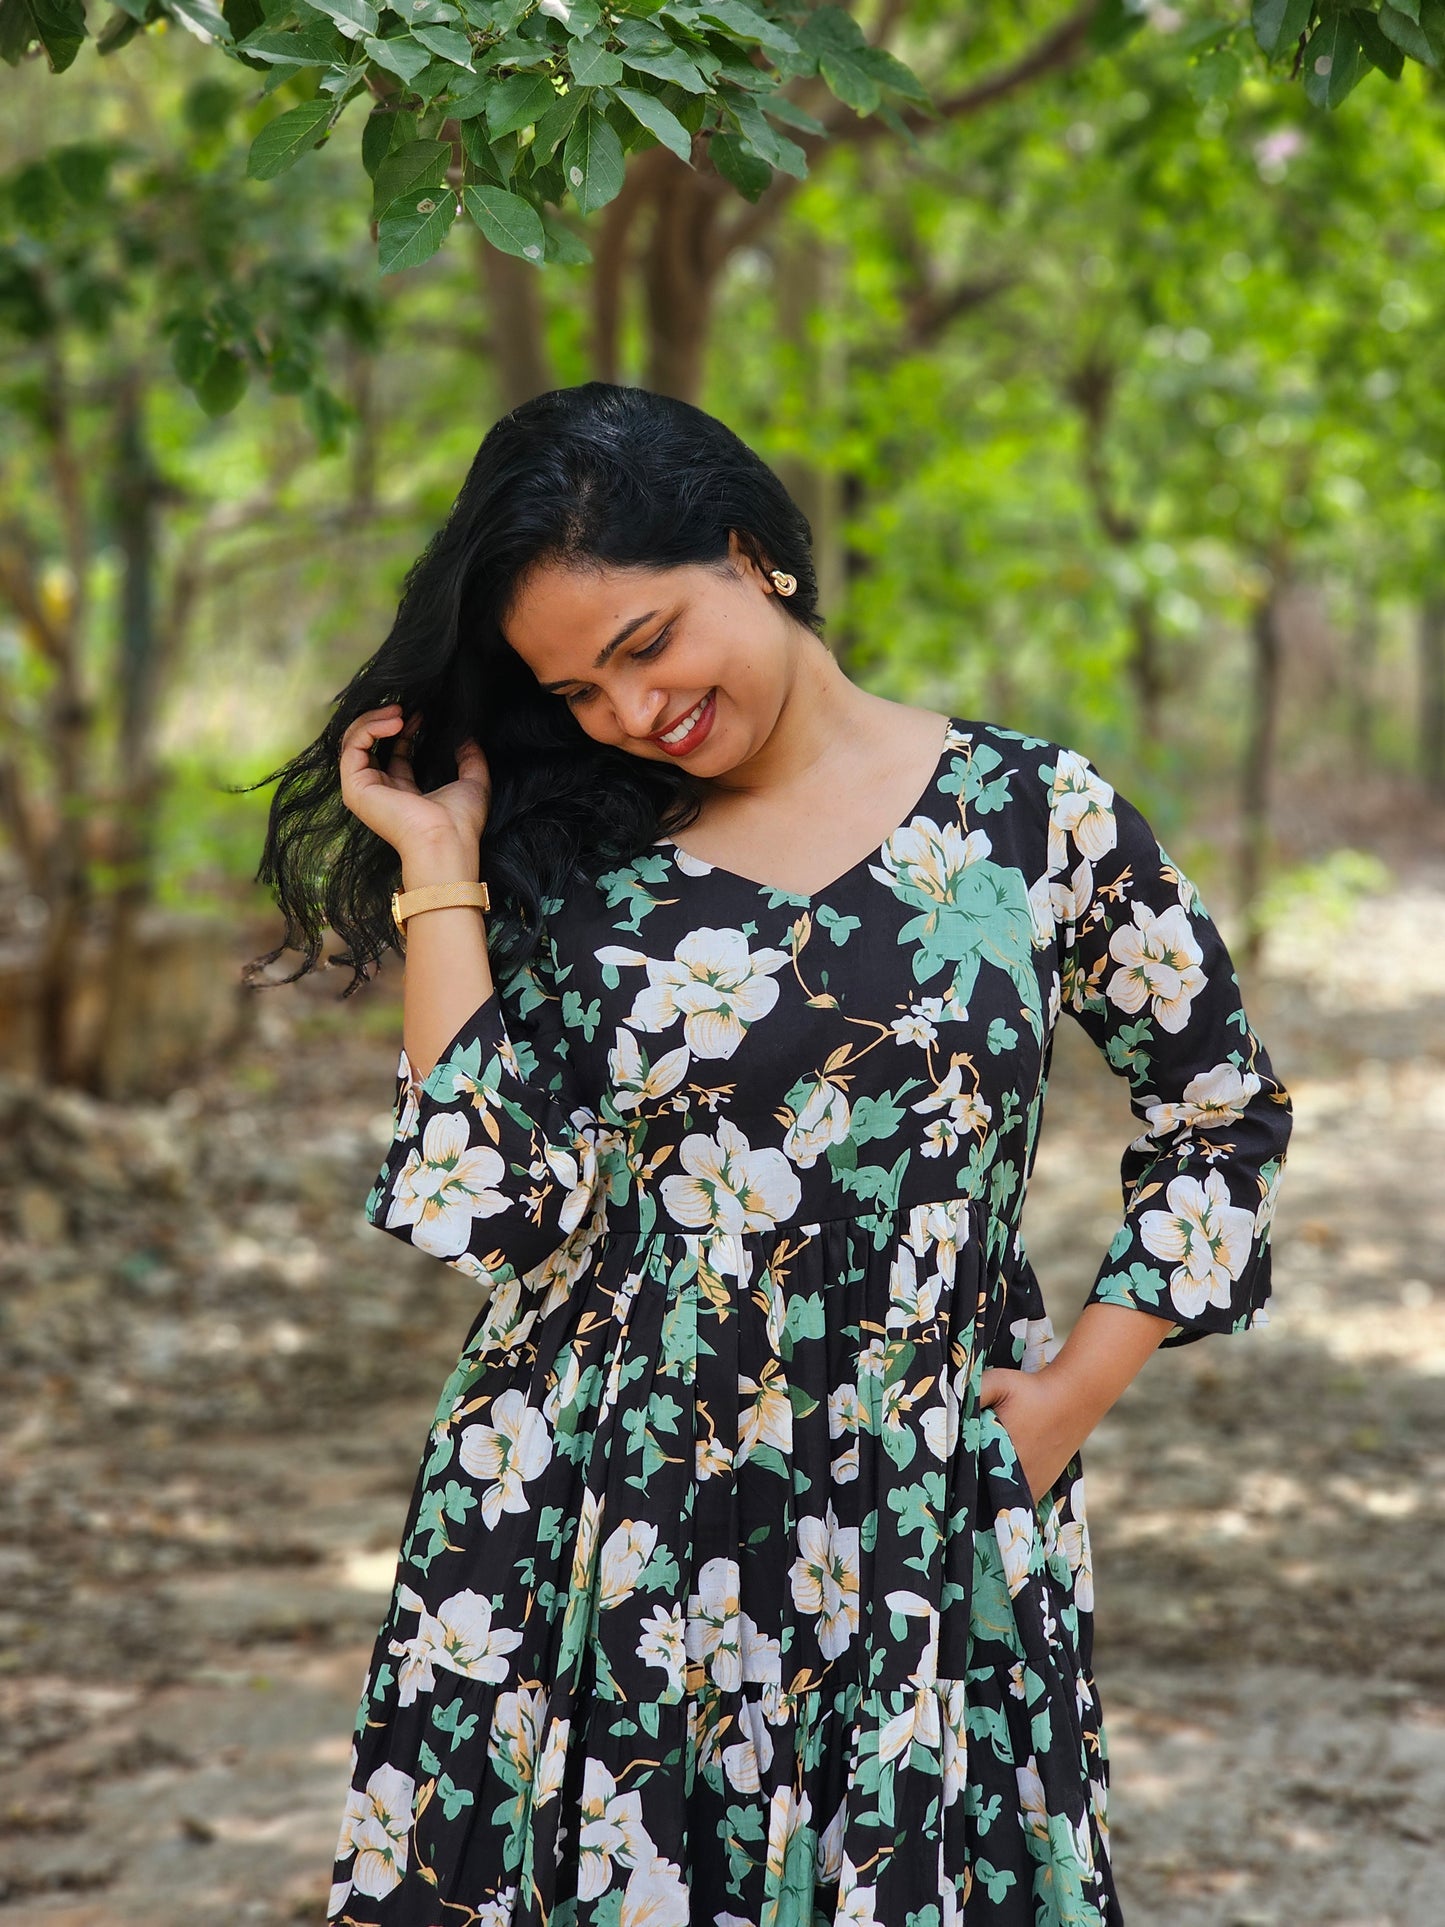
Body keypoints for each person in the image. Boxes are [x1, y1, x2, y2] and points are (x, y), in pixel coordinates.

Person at [255, 382, 1292, 1925]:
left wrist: (1076, 1389)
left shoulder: (1031, 820)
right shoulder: (585, 857)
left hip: (921, 1501)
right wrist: (442, 866)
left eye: (646, 644)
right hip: (601, 1507)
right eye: (577, 689)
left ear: (752, 555)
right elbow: (492, 1207)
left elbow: (1216, 1103)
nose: (628, 714)